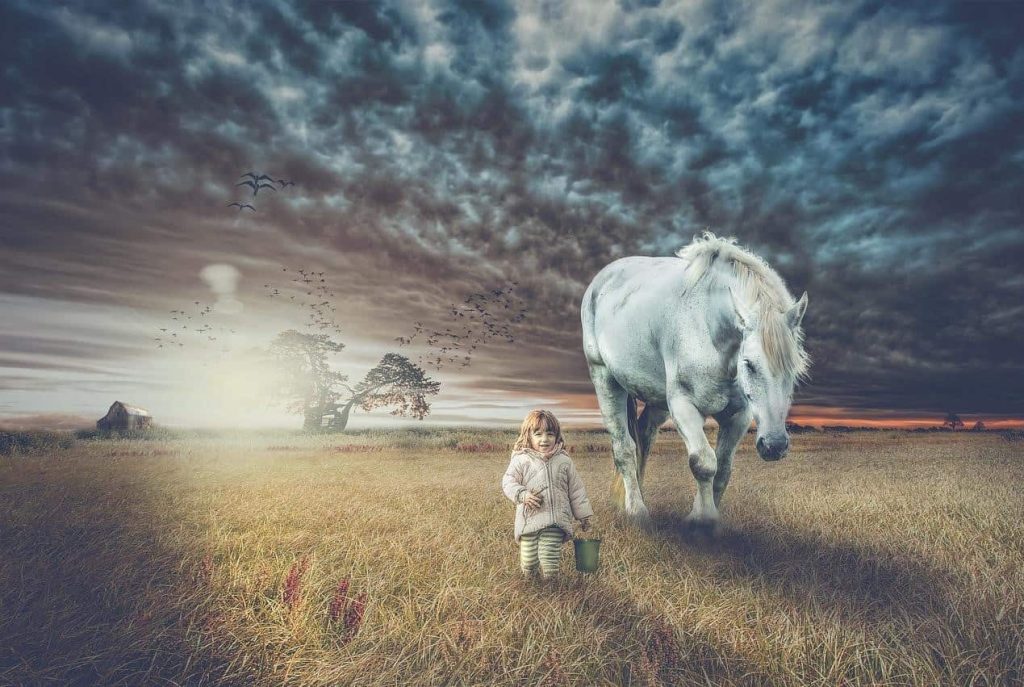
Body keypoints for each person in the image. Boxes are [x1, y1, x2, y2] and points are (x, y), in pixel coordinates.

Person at [501, 409, 594, 581]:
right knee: (529, 560)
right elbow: (508, 482)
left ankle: (552, 587)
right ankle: (532, 585)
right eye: (538, 434)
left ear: (557, 436)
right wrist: (522, 494)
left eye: (550, 434)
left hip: (555, 520)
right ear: (528, 436)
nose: (544, 439)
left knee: (549, 557)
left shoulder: (564, 461)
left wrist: (584, 516)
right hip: (529, 520)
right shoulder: (521, 460)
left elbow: (576, 490)